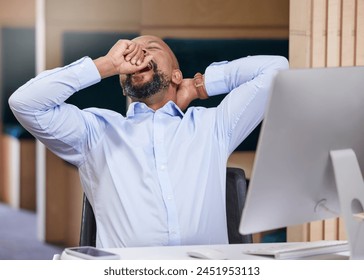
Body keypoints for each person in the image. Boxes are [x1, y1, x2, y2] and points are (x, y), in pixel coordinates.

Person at [9, 35, 289, 248]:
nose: (137, 52)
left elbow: (276, 68)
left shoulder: (213, 125)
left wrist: (200, 86)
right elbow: (25, 103)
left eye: (150, 48)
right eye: (130, 51)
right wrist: (107, 64)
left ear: (177, 75)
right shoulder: (95, 131)